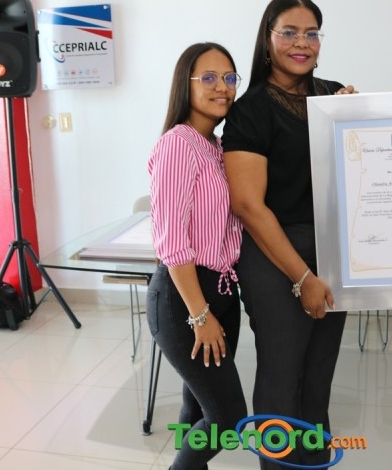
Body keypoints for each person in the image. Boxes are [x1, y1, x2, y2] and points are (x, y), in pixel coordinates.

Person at [222, 0, 355, 469]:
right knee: (281, 381)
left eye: (312, 33)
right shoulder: (250, 111)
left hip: (333, 250)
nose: (303, 43)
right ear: (268, 39)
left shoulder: (335, 96)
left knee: (318, 381)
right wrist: (302, 277)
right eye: (290, 32)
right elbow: (248, 205)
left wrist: (360, 120)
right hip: (275, 255)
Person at [147, 42, 247, 470]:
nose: (222, 87)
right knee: (229, 419)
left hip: (221, 291)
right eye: (208, 78)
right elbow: (171, 243)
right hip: (185, 299)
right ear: (184, 85)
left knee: (197, 411)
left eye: (229, 78)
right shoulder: (178, 145)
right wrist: (200, 315)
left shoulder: (218, 146)